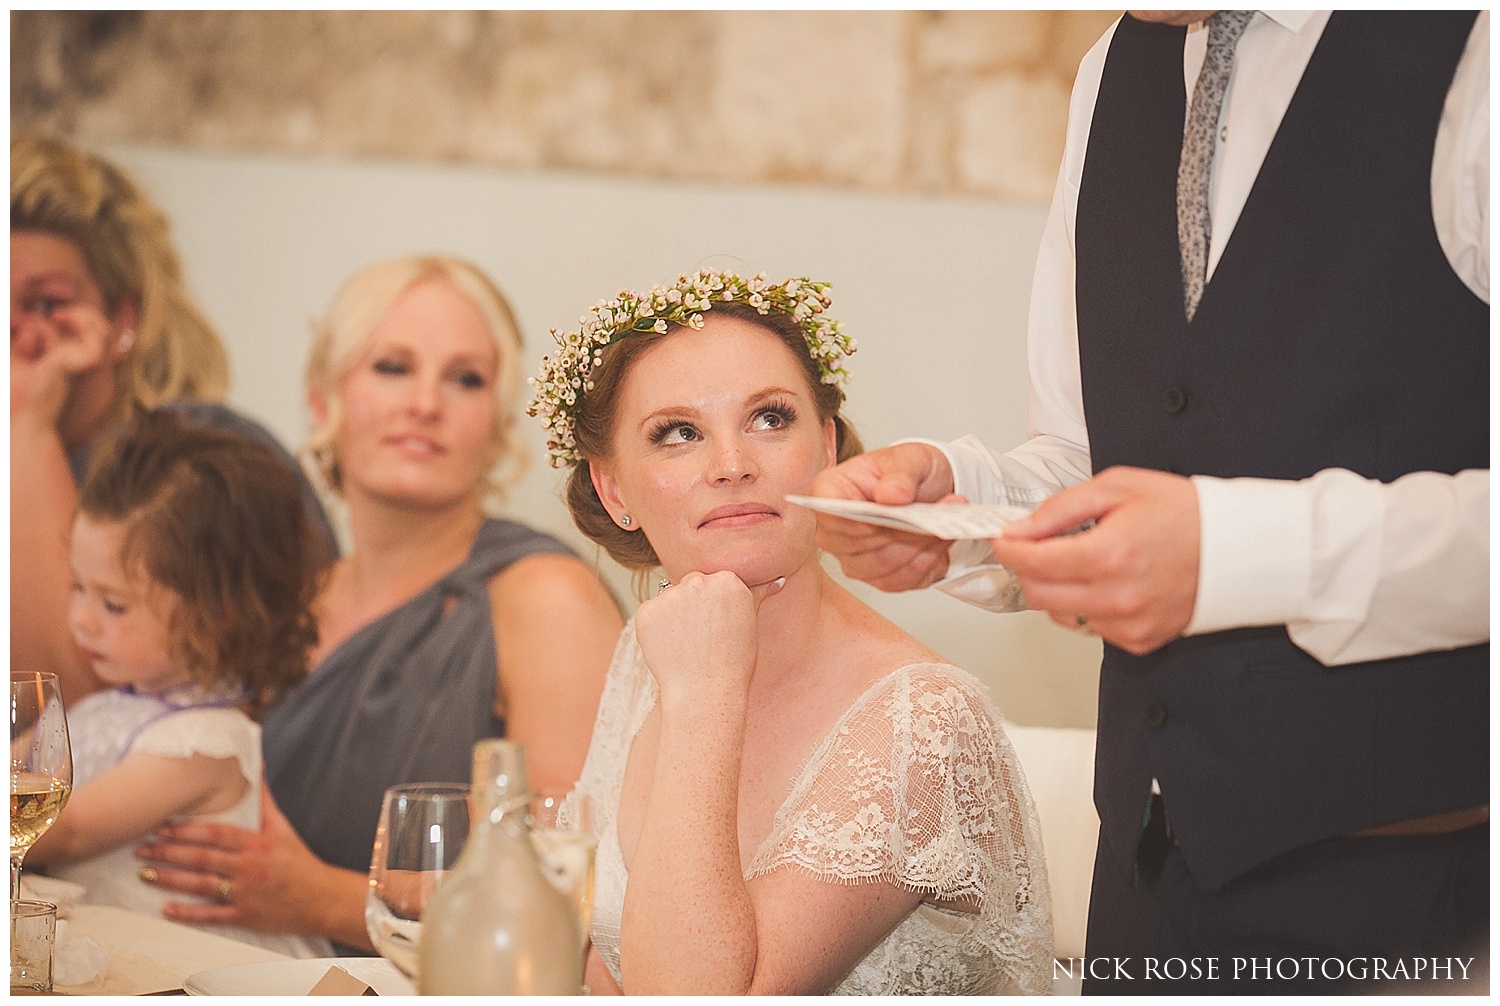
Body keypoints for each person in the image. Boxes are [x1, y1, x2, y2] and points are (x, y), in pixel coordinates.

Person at [810, 10, 1487, 989]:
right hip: (1149, 881)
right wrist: (965, 502)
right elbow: (1106, 448)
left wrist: (1231, 559)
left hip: (1432, 890)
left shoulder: (1470, 47)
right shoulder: (1110, 71)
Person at [530, 269, 1054, 994]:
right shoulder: (650, 653)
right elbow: (605, 956)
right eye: (678, 433)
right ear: (614, 490)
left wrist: (707, 692)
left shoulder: (922, 720)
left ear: (827, 450)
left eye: (770, 418)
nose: (734, 465)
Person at [132, 255, 624, 954]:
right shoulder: (292, 598)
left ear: (498, 422)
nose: (424, 403)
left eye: (465, 379)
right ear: (322, 398)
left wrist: (328, 901)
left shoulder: (545, 598)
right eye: (392, 366)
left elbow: (576, 904)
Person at [11, 131, 336, 710]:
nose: (14, 332)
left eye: (45, 304)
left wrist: (26, 425)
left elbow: (79, 719)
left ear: (122, 321)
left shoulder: (200, 452)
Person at [27, 408, 331, 959]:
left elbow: (67, 828)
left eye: (113, 603)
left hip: (201, 971)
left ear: (220, 612)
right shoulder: (103, 710)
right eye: (77, 587)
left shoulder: (205, 743)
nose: (81, 619)